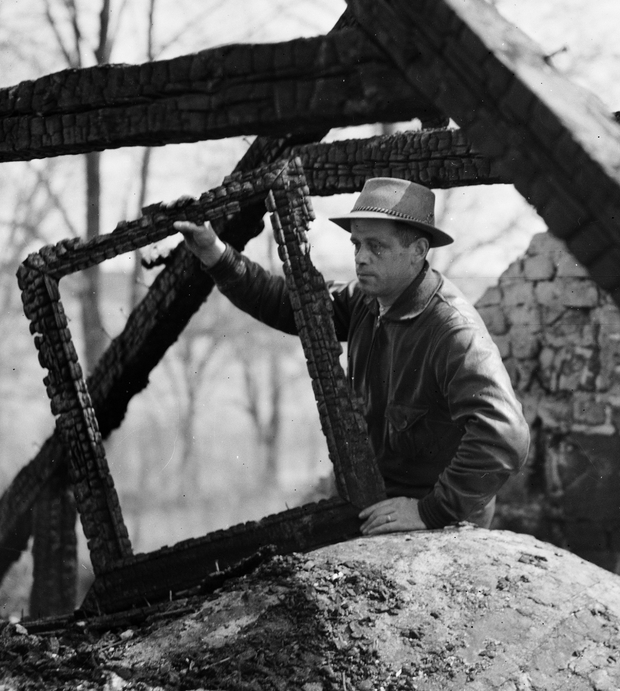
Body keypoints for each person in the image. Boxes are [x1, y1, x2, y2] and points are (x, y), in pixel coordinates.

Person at [173, 177, 529, 536]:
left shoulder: (454, 332)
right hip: (376, 506)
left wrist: (432, 511)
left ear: (419, 250)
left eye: (376, 247)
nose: (360, 258)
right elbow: (290, 305)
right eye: (356, 244)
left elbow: (505, 434)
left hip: (438, 526)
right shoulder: (366, 300)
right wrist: (215, 254)